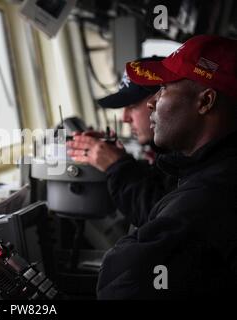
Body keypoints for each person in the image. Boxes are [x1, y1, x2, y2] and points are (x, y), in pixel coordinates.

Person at [94, 34, 237, 298]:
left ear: (205, 102)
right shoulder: (206, 170)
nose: (152, 102)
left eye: (163, 89)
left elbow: (123, 284)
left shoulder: (210, 196)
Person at [67, 57, 176, 225]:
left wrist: (118, 167)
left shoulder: (191, 156)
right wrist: (118, 157)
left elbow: (162, 222)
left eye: (132, 106)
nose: (124, 118)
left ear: (162, 98)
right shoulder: (172, 153)